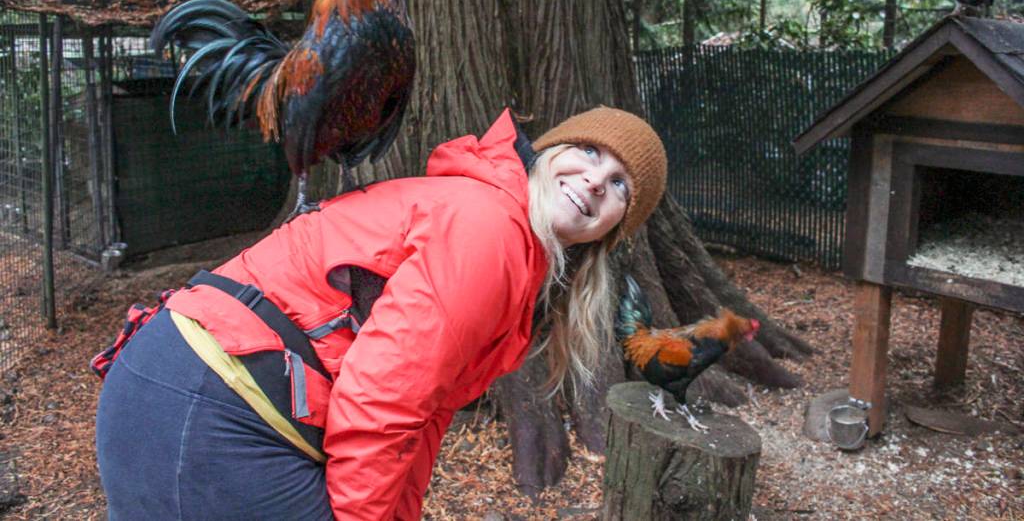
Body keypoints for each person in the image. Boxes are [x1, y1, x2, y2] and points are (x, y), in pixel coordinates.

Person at [94, 105, 667, 520]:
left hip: (185, 389)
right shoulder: (489, 228)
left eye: (620, 185)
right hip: (215, 401)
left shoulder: (513, 244)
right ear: (550, 154)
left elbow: (425, 413)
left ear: (617, 226)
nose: (595, 180)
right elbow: (383, 400)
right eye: (589, 152)